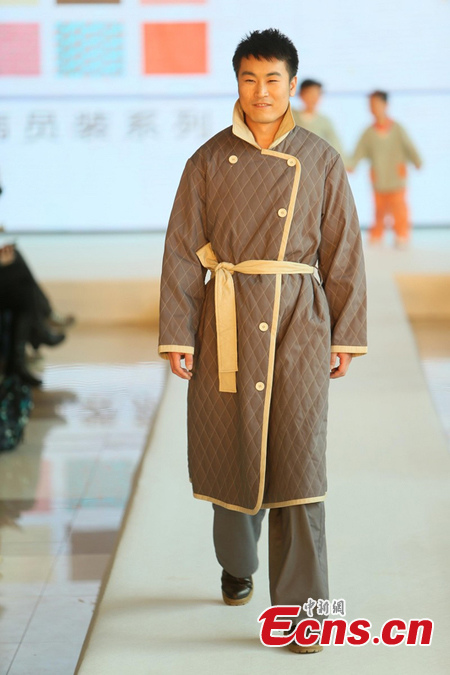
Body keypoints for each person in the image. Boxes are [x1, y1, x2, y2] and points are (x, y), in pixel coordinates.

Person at [158, 29, 367, 654]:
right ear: (237, 83)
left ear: (291, 83)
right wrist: (178, 331)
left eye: (272, 79)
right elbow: (179, 249)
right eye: (249, 79)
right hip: (225, 319)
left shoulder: (322, 159)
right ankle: (236, 563)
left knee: (300, 464)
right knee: (233, 450)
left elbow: (344, 250)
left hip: (300, 321)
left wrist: (345, 334)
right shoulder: (205, 160)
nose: (260, 91)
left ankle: (306, 617)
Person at [348, 90, 422, 247]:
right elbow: (359, 151)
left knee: (399, 207)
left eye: (377, 104)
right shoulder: (368, 132)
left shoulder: (397, 128)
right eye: (371, 105)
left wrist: (417, 160)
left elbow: (409, 146)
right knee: (379, 208)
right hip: (379, 176)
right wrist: (352, 164)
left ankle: (402, 233)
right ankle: (377, 233)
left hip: (397, 175)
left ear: (386, 105)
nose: (374, 108)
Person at [292, 79, 345, 158]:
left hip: (315, 162)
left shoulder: (324, 121)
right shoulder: (291, 115)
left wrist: (344, 163)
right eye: (310, 94)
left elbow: (335, 143)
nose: (314, 98)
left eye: (317, 94)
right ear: (301, 95)